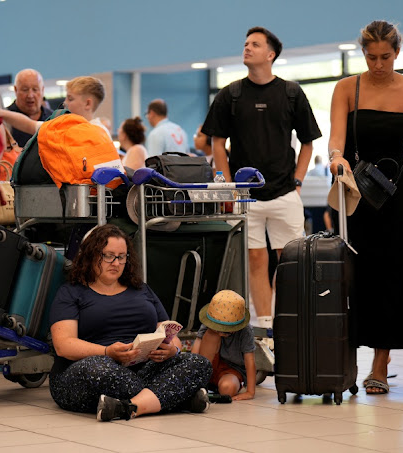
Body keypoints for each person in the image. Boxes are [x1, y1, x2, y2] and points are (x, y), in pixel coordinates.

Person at [201, 26, 322, 331]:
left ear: (270, 55)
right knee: (256, 261)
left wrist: (297, 181)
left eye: (254, 44)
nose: (247, 48)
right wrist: (230, 186)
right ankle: (265, 327)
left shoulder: (291, 93)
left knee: (289, 260)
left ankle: (287, 321)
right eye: (245, 43)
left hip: (285, 192)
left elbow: (309, 141)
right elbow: (216, 142)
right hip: (246, 196)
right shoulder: (231, 94)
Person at [327, 21, 403, 395]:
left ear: (396, 53)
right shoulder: (346, 87)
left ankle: (380, 364)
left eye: (385, 57)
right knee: (352, 276)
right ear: (363, 53)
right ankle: (346, 357)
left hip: (395, 194)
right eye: (371, 57)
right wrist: (337, 158)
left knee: (391, 274)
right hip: (355, 192)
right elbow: (336, 139)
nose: (378, 64)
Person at [48, 224, 213, 421]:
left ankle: (130, 407)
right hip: (91, 368)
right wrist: (108, 352)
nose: (116, 263)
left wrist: (172, 350)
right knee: (98, 370)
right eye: (108, 255)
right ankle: (173, 396)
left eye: (121, 257)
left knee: (199, 363)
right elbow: (63, 345)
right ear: (91, 255)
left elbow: (171, 335)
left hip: (142, 366)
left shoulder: (141, 289)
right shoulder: (72, 292)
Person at [192, 290, 257, 401]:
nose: (221, 332)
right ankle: (201, 380)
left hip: (232, 369)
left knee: (227, 389)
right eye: (218, 328)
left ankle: (209, 385)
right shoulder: (209, 324)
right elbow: (195, 351)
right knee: (212, 334)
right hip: (209, 364)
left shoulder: (245, 331)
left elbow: (249, 361)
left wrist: (250, 392)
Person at [6, 69, 53, 146]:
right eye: (25, 90)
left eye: (35, 89)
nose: (30, 95)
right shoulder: (5, 119)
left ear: (42, 90)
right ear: (15, 90)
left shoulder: (53, 119)